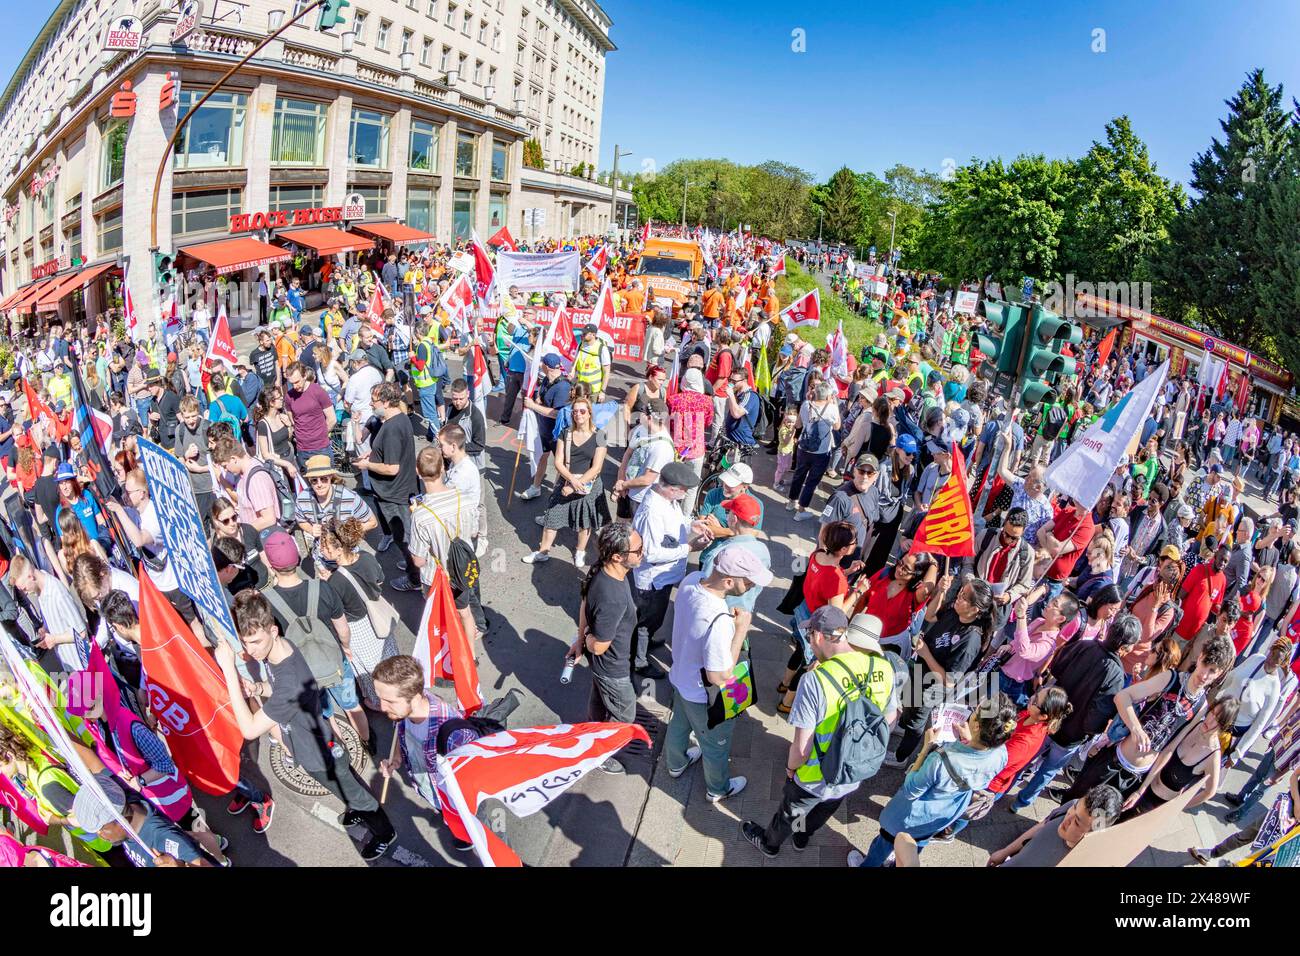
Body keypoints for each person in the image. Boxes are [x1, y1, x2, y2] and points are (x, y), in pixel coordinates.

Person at [217, 590, 395, 860]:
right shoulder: (281, 649)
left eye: (254, 641)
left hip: (318, 753)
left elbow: (250, 729)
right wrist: (258, 687)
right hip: (314, 740)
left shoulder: (288, 679)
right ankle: (357, 806)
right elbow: (276, 688)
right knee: (348, 786)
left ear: (273, 630)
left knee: (355, 793)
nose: (249, 650)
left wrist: (229, 670)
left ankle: (383, 832)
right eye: (245, 642)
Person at [742, 610, 901, 857]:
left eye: (808, 633)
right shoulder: (883, 667)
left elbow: (801, 749)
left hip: (814, 775)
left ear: (817, 635)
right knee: (823, 810)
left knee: (791, 812)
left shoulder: (815, 681)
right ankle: (802, 837)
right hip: (851, 772)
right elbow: (890, 719)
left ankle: (770, 844)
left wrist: (791, 769)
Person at [848, 694, 1018, 867]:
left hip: (911, 815)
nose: (972, 712)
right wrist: (970, 740)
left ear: (976, 725)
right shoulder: (1001, 754)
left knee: (883, 843)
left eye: (976, 712)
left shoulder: (941, 759)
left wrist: (926, 748)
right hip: (943, 815)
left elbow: (911, 788)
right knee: (916, 844)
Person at [1059, 633, 1234, 802]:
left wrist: (1141, 789)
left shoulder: (1201, 707)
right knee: (1072, 806)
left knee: (1096, 823)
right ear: (1200, 656)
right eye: (1205, 664)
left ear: (1219, 674)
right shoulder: (1171, 679)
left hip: (1134, 778)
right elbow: (1122, 697)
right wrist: (1136, 729)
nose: (1204, 675)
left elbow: (1169, 748)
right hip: (1113, 759)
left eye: (1212, 671)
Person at [663, 548, 773, 805]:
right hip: (704, 697)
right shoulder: (720, 620)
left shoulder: (691, 581)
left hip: (681, 678)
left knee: (679, 725)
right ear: (728, 581)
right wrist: (741, 631)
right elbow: (719, 675)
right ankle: (718, 788)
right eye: (748, 582)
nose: (753, 586)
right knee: (715, 745)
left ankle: (675, 763)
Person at [1010, 615, 1143, 810]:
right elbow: (1096, 718)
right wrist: (1088, 734)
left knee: (1027, 756)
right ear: (1127, 646)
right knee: (1048, 770)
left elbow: (1057, 667)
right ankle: (1021, 802)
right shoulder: (1116, 675)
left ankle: (1006, 786)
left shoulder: (1085, 646)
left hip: (1049, 716)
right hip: (1072, 734)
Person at [372, 655, 475, 852]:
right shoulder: (403, 710)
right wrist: (396, 758)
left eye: (389, 701)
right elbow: (399, 730)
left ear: (417, 697)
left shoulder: (454, 734)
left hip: (454, 800)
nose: (382, 707)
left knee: (469, 824)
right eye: (380, 698)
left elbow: (471, 781)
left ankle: (468, 835)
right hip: (430, 790)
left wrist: (457, 809)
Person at [891, 576, 996, 766]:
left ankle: (901, 757)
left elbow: (949, 681)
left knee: (917, 720)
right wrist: (940, 591)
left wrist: (926, 653)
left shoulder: (970, 639)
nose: (959, 597)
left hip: (934, 685)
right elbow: (930, 616)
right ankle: (903, 726)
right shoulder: (954, 610)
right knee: (909, 703)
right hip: (921, 670)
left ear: (975, 609)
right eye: (961, 592)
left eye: (964, 597)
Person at [566, 523, 644, 774]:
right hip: (613, 667)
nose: (643, 553)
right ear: (618, 557)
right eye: (638, 551)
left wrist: (579, 641)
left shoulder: (601, 570)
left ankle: (591, 734)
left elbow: (584, 604)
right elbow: (599, 647)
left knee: (599, 702)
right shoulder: (613, 597)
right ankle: (599, 755)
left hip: (605, 667)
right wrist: (587, 639)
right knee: (624, 717)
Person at [630, 461, 710, 680]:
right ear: (671, 488)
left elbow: (674, 521)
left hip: (663, 578)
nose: (685, 493)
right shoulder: (652, 511)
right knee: (647, 621)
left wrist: (692, 524)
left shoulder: (665, 499)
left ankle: (644, 643)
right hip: (653, 580)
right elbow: (652, 553)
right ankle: (638, 660)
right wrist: (689, 548)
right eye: (683, 489)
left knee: (655, 618)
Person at [1120, 695, 1238, 820]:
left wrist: (1180, 806)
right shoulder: (1194, 725)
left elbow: (1210, 792)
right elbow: (1168, 750)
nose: (1210, 721)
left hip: (1156, 805)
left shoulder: (1212, 756)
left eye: (1218, 720)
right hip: (1144, 782)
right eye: (1212, 713)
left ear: (1224, 727)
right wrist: (1141, 789)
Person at [71, 775, 214, 868]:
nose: (100, 835)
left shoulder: (161, 836)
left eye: (100, 829)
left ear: (119, 819)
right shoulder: (129, 808)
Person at [355, 382, 418, 562]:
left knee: (403, 538)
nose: (370, 404)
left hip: (394, 494)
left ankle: (414, 575)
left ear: (386, 403)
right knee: (406, 535)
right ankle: (412, 566)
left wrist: (367, 465)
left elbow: (392, 468)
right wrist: (374, 453)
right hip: (398, 490)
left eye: (374, 401)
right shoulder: (401, 418)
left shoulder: (391, 428)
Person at [988, 784, 1123, 867]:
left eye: (1077, 822)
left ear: (1092, 834)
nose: (1067, 818)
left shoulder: (1081, 861)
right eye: (1074, 808)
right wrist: (1005, 852)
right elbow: (1042, 826)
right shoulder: (1070, 806)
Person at [614, 399, 676, 521]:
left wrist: (623, 485)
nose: (639, 415)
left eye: (642, 412)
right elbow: (627, 454)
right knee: (619, 527)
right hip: (626, 490)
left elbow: (648, 479)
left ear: (649, 418)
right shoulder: (641, 429)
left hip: (641, 499)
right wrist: (621, 478)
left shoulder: (662, 447)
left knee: (635, 535)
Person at [284, 362, 336, 470]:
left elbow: (332, 419)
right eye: (292, 383)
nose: (295, 386)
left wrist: (320, 435)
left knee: (325, 481)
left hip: (321, 448)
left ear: (304, 376)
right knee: (310, 483)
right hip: (302, 449)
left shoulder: (318, 392)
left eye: (297, 382)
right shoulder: (289, 396)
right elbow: (292, 419)